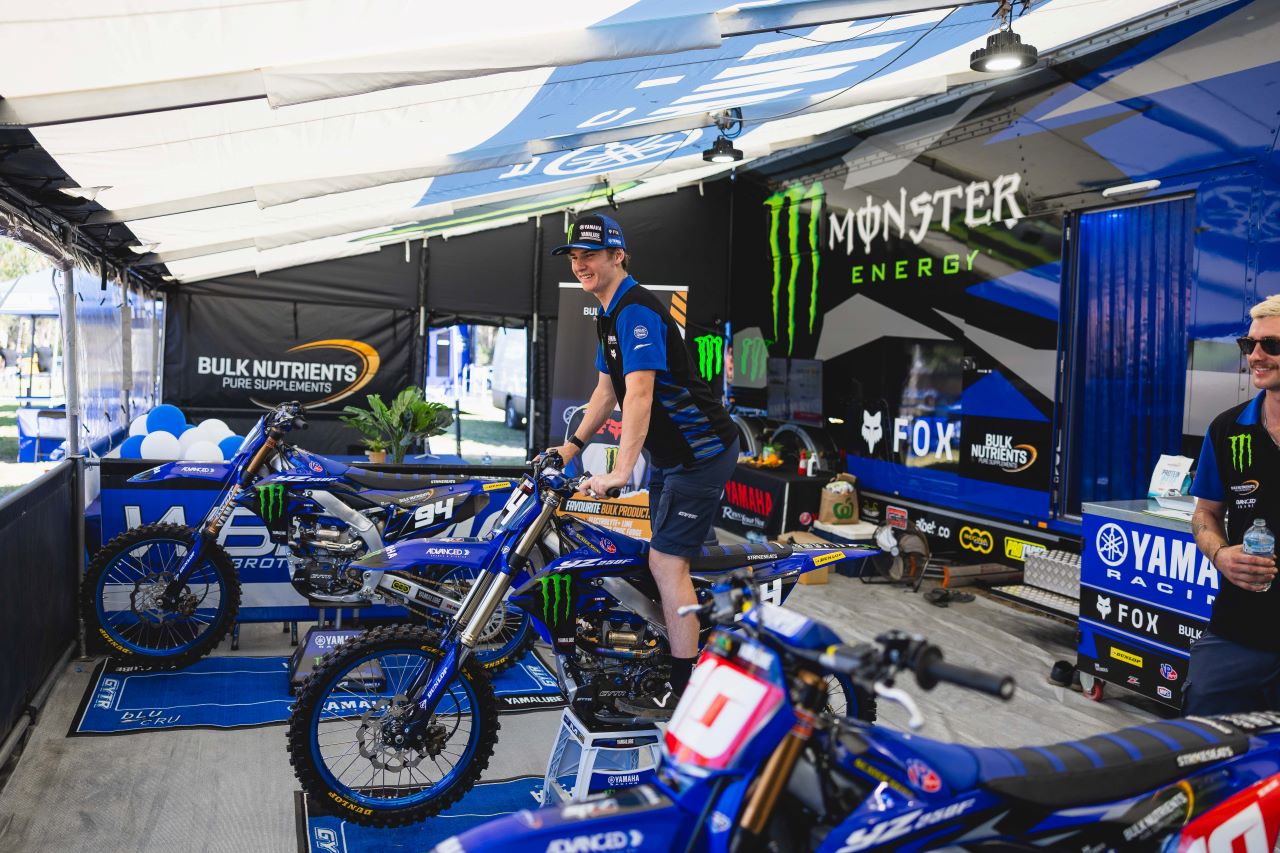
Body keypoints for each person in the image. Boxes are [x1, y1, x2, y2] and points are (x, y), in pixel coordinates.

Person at [547, 213, 739, 718]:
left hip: (702, 454)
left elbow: (639, 393)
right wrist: (571, 447)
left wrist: (618, 472)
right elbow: (605, 390)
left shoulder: (636, 310)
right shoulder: (609, 313)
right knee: (656, 552)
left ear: (618, 256)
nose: (580, 264)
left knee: (665, 562)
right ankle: (677, 636)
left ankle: (683, 689)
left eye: (590, 255)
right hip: (673, 458)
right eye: (574, 257)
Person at [1187, 294, 1280, 715]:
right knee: (1204, 733)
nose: (1256, 356)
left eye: (1271, 345)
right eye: (1249, 344)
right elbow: (1205, 512)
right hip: (1238, 631)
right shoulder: (1226, 430)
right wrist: (1221, 554)